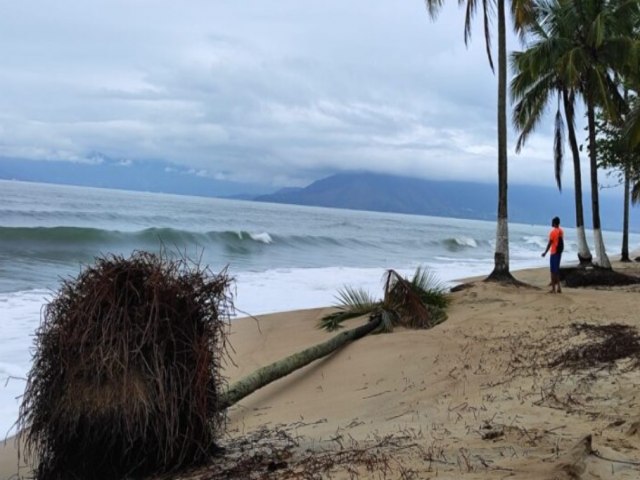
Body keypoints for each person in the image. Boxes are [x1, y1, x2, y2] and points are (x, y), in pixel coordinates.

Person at [541, 216, 564, 293]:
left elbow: (550, 243)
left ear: (554, 223)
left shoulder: (553, 232)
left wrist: (545, 252)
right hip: (559, 252)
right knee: (556, 270)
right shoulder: (561, 231)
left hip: (554, 252)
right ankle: (559, 288)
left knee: (552, 271)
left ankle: (553, 289)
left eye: (552, 222)